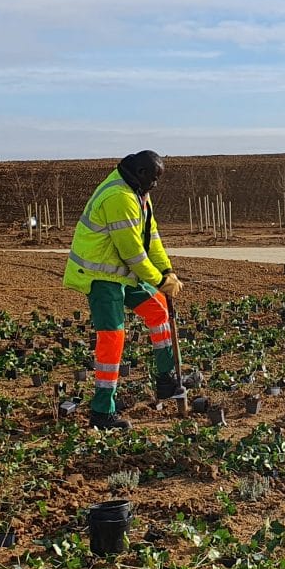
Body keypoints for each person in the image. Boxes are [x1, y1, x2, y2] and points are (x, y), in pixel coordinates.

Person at [63, 150, 186, 429]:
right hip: (100, 276)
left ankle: (166, 380)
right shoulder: (119, 197)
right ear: (141, 173)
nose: (155, 185)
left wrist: (167, 270)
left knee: (158, 310)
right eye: (154, 179)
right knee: (113, 338)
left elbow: (150, 236)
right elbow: (132, 253)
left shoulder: (139, 192)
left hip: (122, 275)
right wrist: (158, 280)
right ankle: (102, 412)